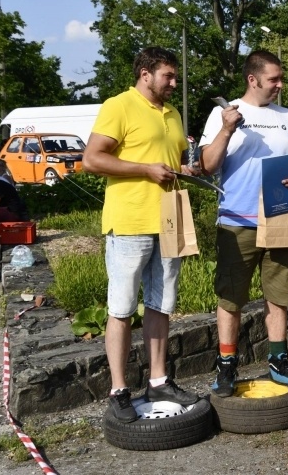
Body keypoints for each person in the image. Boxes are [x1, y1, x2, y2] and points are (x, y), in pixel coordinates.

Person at [83, 46, 200, 423]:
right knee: (120, 308)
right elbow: (92, 159)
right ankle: (119, 389)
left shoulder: (173, 112)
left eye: (174, 75)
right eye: (168, 75)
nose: (174, 82)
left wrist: (187, 169)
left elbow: (171, 161)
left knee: (161, 304)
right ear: (145, 74)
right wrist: (144, 171)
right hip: (130, 221)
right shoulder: (119, 105)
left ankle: (158, 380)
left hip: (168, 218)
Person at [199, 51, 288, 396]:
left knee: (279, 294)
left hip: (280, 218)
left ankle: (278, 360)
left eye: (281, 78)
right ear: (253, 79)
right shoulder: (225, 113)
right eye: (274, 79)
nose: (280, 85)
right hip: (237, 220)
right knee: (231, 297)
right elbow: (206, 165)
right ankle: (227, 365)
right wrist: (228, 129)